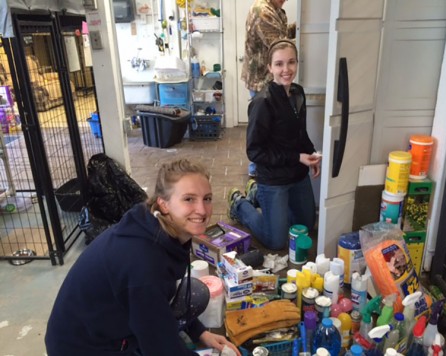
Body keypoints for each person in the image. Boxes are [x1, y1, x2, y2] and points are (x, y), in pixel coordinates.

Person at [45, 159, 241, 356]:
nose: (202, 210)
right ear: (164, 204)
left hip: (109, 318)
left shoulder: (158, 226)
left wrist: (201, 333)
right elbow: (162, 350)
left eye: (207, 198)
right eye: (189, 199)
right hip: (82, 348)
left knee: (196, 292)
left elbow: (169, 291)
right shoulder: (143, 263)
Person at [229, 40, 321, 251]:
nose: (286, 69)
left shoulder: (297, 93)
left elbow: (300, 133)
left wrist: (311, 154)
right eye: (279, 64)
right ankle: (240, 204)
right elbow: (254, 151)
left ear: (297, 63)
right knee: (276, 241)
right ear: (270, 67)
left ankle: (258, 197)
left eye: (291, 62)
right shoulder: (262, 103)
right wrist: (297, 157)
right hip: (273, 178)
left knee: (305, 226)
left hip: (297, 175)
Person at [241, 0, 296, 177]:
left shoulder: (275, 10)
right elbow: (280, 46)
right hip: (262, 81)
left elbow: (282, 32)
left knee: (269, 129)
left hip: (270, 78)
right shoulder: (262, 11)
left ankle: (261, 172)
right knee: (261, 132)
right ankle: (256, 176)